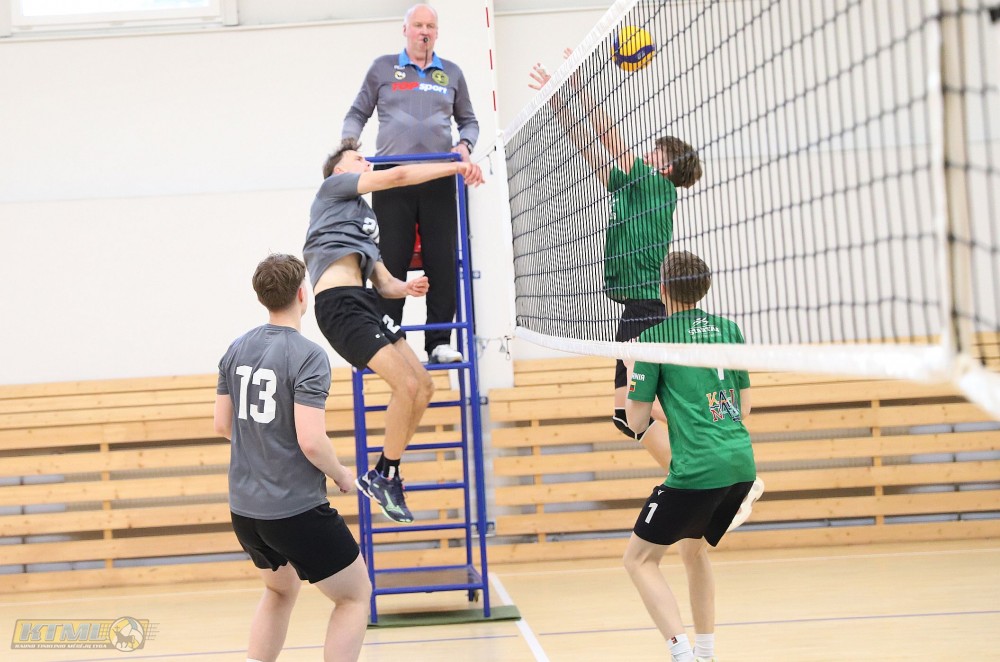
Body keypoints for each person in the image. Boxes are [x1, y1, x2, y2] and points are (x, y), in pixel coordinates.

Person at [529, 55, 703, 471]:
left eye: (655, 152)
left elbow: (610, 138)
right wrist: (557, 102)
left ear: (666, 166)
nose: (646, 153)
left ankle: (708, 455)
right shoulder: (634, 188)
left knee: (640, 406)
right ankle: (693, 476)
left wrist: (576, 85)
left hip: (648, 307)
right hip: (637, 306)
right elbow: (591, 150)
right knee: (627, 416)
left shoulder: (658, 187)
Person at [305, 138, 484, 524]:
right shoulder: (332, 188)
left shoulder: (365, 222)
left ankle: (385, 472)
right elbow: (399, 176)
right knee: (406, 385)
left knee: (425, 386)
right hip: (338, 306)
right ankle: (385, 477)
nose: (366, 162)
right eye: (358, 158)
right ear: (341, 170)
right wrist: (456, 166)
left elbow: (384, 283)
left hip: (366, 302)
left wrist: (407, 288)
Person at [214, 253, 370, 662]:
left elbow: (222, 424)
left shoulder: (236, 349)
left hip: (246, 512)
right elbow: (312, 441)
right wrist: (341, 475)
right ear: (303, 294)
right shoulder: (308, 355)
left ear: (261, 297)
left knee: (279, 590)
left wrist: (264, 449)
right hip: (293, 510)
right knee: (354, 596)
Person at [623, 251, 765, 662]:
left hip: (697, 470)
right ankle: (705, 654)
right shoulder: (729, 330)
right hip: (740, 462)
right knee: (692, 550)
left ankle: (683, 655)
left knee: (638, 560)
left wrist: (633, 368)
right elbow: (743, 408)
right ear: (704, 288)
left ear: (662, 289)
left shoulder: (654, 340)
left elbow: (635, 422)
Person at [341, 3, 480, 365]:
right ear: (405, 30)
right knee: (390, 262)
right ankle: (389, 341)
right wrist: (348, 149)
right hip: (392, 179)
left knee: (442, 262)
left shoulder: (451, 73)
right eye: (418, 25)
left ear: (437, 32)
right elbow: (357, 113)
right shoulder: (383, 68)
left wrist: (464, 146)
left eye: (430, 26)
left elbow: (469, 122)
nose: (424, 31)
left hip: (437, 179)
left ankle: (439, 342)